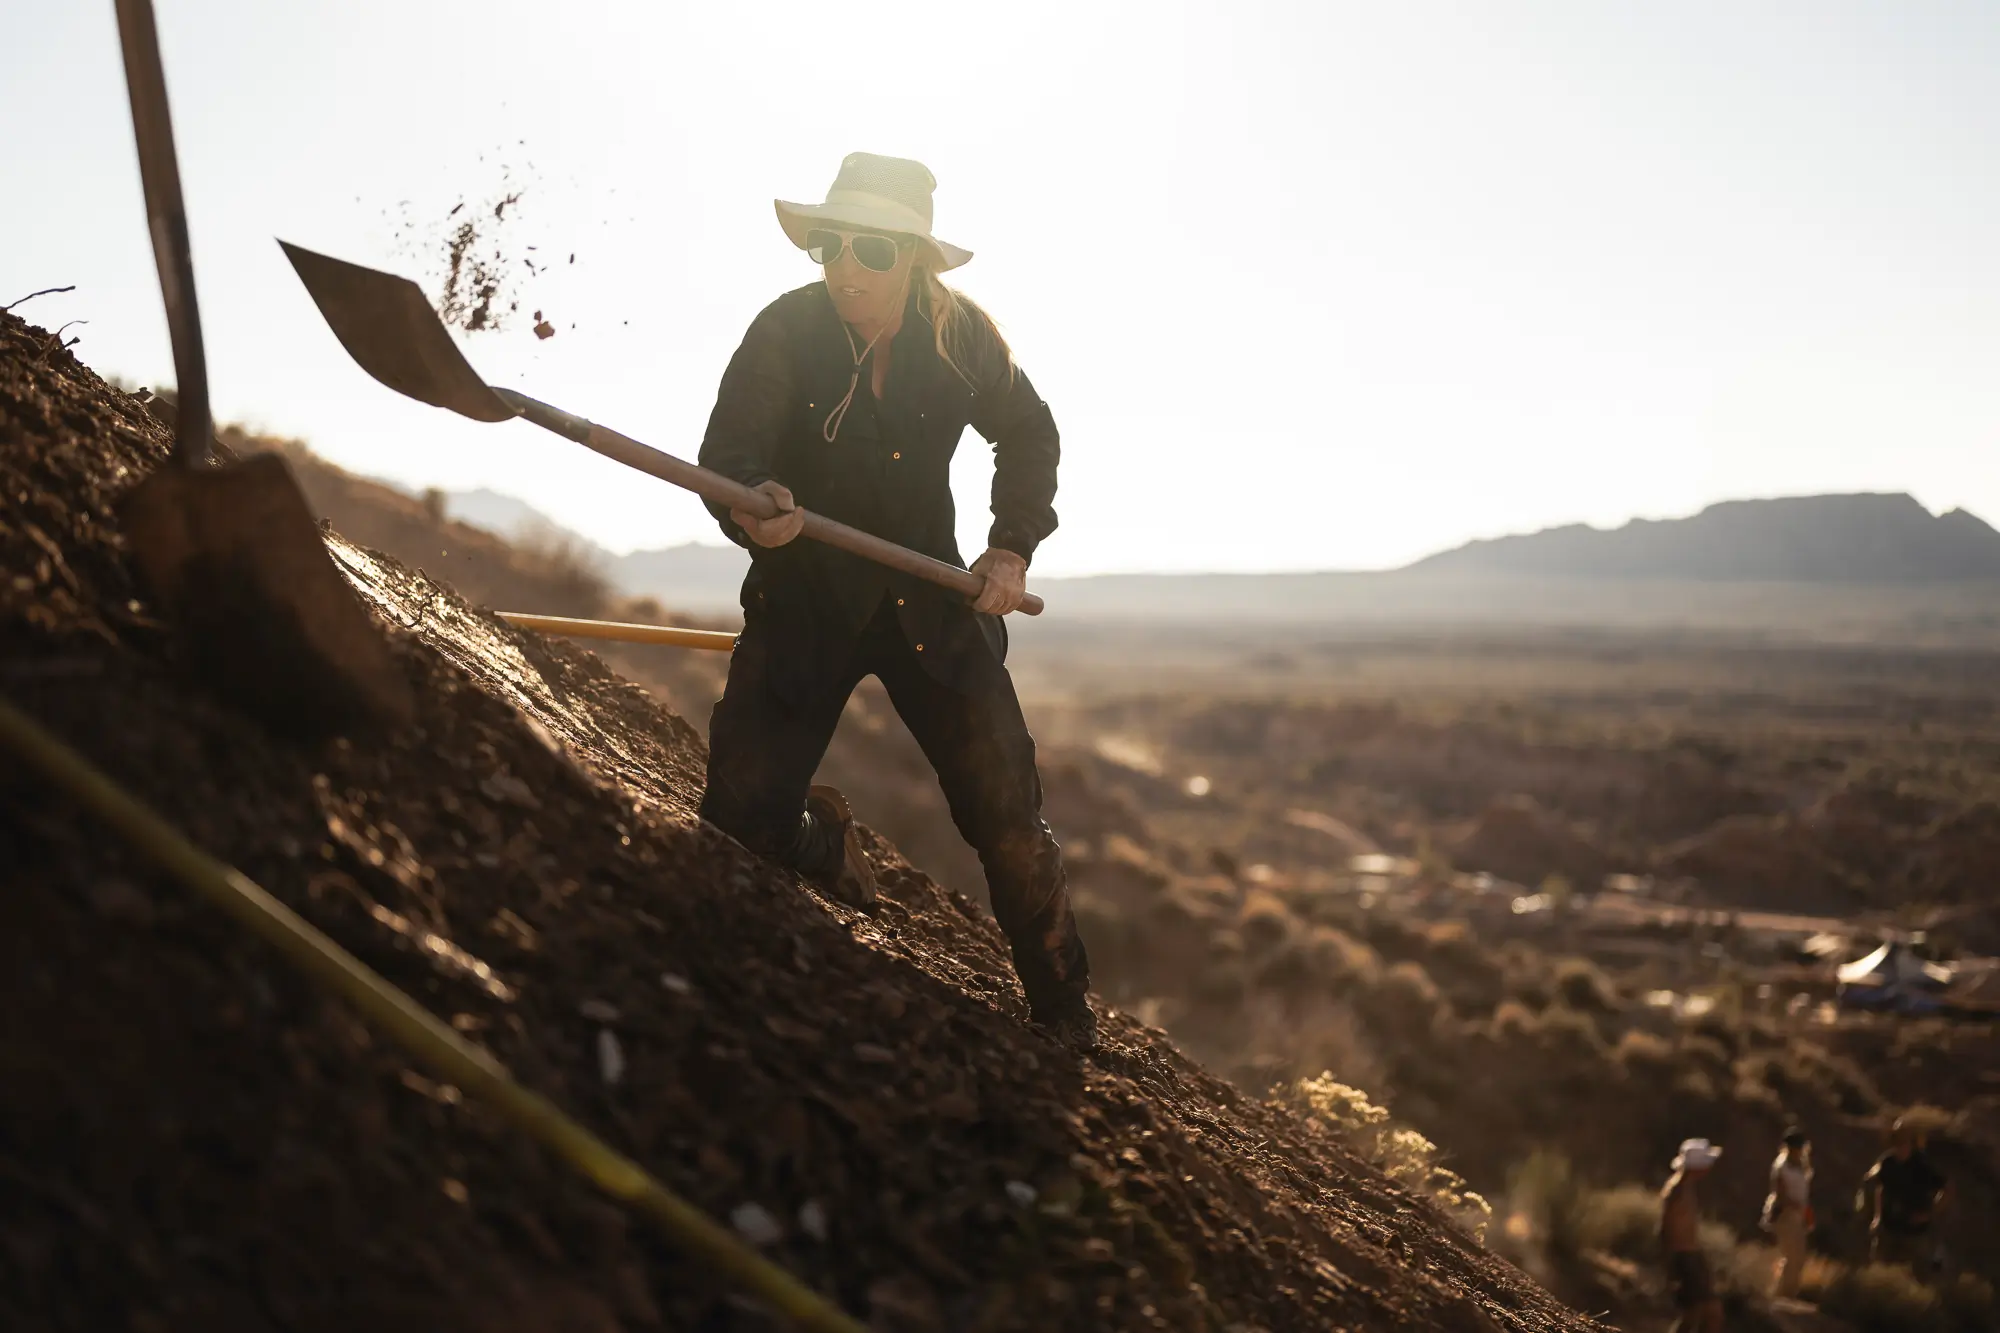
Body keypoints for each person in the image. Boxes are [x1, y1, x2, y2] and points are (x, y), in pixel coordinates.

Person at [694, 152, 1094, 1043]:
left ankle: (1065, 1012)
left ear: (912, 255)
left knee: (1009, 823)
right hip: (805, 600)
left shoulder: (962, 337)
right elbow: (727, 457)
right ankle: (818, 842)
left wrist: (1012, 547)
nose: (844, 266)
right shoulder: (784, 331)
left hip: (931, 605)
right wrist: (752, 508)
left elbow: (1029, 432)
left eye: (869, 248)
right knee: (736, 822)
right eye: (830, 243)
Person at [1859, 1116, 1948, 1270]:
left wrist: (1929, 1214)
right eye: (1897, 1141)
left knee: (1913, 1272)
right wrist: (1877, 1217)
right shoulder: (1888, 1162)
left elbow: (1946, 1188)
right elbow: (1879, 1187)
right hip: (1889, 1227)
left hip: (1914, 1233)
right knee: (1880, 1269)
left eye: (1905, 1141)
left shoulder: (1922, 1166)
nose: (1901, 1146)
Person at [1660, 1139, 1724, 1333]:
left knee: (1703, 1313)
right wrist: (1670, 1264)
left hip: (1691, 1256)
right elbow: (1665, 1228)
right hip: (1683, 1259)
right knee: (1700, 1312)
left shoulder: (1686, 1188)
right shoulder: (1677, 1190)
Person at [1762, 1127, 1814, 1298]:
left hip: (1798, 1213)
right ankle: (1782, 1293)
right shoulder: (1782, 1166)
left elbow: (1803, 1193)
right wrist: (1796, 1207)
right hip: (1785, 1214)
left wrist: (1806, 1214)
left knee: (1797, 1258)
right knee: (1792, 1257)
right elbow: (1780, 1194)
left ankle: (1786, 1292)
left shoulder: (1800, 1166)